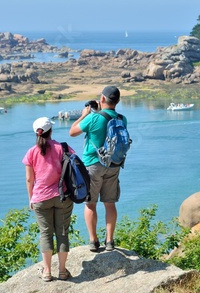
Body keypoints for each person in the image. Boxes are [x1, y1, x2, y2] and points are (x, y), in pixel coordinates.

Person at [69, 85, 127, 252]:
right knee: (110, 203)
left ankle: (94, 241)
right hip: (114, 164)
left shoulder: (94, 119)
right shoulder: (122, 119)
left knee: (90, 204)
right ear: (118, 101)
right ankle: (109, 241)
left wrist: (84, 115)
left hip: (93, 165)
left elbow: (72, 132)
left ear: (102, 99)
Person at [22, 117, 74, 281]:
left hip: (40, 198)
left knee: (45, 234)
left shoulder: (31, 152)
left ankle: (46, 272)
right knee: (62, 233)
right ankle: (63, 271)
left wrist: (31, 198)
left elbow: (30, 179)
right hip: (62, 196)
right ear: (51, 131)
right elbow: (75, 168)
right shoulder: (63, 148)